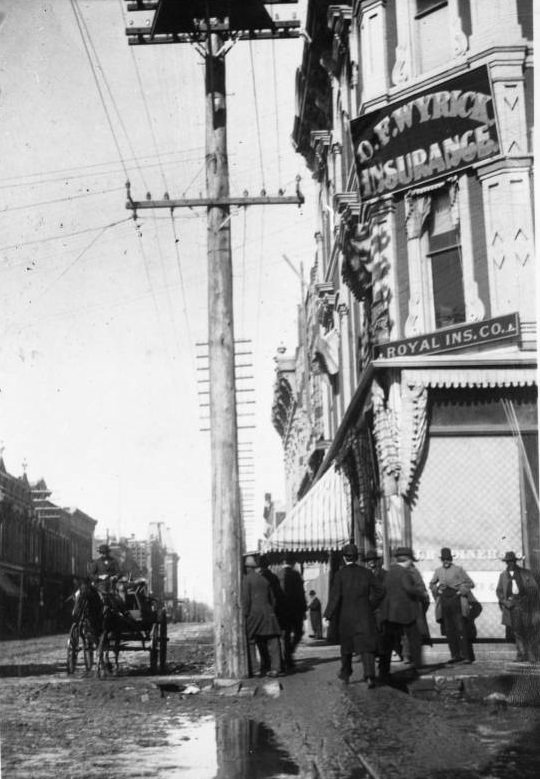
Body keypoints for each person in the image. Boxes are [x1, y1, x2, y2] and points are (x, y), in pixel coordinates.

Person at [324, 543, 385, 688]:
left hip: (346, 618)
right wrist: (370, 604)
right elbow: (380, 591)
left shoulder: (340, 575)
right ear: (357, 557)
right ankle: (370, 676)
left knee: (346, 648)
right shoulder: (367, 573)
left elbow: (335, 597)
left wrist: (328, 615)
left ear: (345, 558)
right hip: (365, 616)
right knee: (367, 647)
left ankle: (346, 674)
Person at [378, 546, 427, 682]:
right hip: (405, 613)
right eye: (411, 560)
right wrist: (421, 593)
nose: (412, 563)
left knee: (388, 643)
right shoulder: (404, 573)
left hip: (389, 613)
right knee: (414, 639)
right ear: (408, 560)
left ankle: (383, 671)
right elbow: (408, 588)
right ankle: (417, 667)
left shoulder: (390, 572)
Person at [429, 547, 475, 664]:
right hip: (444, 601)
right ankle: (455, 655)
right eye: (444, 559)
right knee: (449, 630)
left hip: (456, 601)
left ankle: (467, 656)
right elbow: (432, 584)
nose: (446, 561)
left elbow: (470, 583)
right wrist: (437, 590)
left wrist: (460, 591)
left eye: (448, 559)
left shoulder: (458, 569)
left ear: (451, 559)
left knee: (461, 629)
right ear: (441, 560)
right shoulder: (438, 571)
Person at [242, 555, 282, 678]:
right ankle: (276, 668)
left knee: (250, 640)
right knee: (273, 640)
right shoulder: (264, 580)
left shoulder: (246, 580)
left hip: (254, 615)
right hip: (269, 614)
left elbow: (246, 601)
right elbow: (273, 600)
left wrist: (244, 615)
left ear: (247, 568)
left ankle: (255, 669)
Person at [496, 551, 540, 662]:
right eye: (508, 562)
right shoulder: (503, 576)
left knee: (529, 629)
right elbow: (499, 591)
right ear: (506, 563)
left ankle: (532, 656)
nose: (510, 564)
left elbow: (534, 588)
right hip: (512, 606)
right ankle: (521, 654)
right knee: (517, 631)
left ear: (515, 561)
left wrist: (529, 600)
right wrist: (505, 602)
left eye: (512, 561)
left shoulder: (526, 573)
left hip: (526, 605)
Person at [278, 554, 307, 671]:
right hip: (295, 611)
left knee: (285, 635)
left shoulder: (278, 575)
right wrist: (304, 609)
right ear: (293, 562)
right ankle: (289, 654)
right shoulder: (296, 575)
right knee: (299, 633)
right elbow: (301, 593)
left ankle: (287, 657)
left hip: (283, 611)